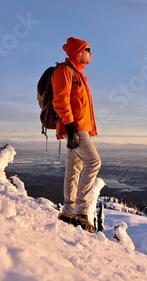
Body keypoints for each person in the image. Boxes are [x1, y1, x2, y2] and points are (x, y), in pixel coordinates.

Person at [51, 37, 101, 232]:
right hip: (74, 128)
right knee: (94, 162)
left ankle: (68, 212)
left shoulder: (78, 74)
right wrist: (71, 128)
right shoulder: (64, 71)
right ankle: (81, 212)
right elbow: (60, 100)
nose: (91, 53)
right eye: (88, 49)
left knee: (74, 169)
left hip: (80, 128)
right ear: (79, 51)